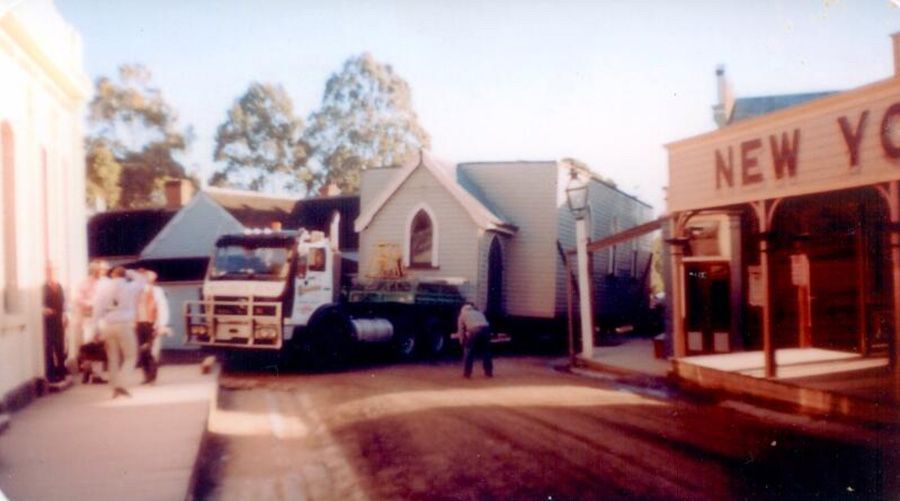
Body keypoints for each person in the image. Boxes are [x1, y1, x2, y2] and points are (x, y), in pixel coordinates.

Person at [95, 267, 145, 398]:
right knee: (131, 355)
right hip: (123, 324)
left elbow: (97, 309)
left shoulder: (104, 288)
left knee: (113, 358)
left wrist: (96, 328)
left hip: (108, 324)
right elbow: (142, 281)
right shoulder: (129, 287)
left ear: (112, 276)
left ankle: (114, 387)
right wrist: (130, 272)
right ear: (124, 276)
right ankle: (121, 384)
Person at [135, 270, 169, 384]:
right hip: (139, 323)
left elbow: (162, 307)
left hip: (152, 323)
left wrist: (162, 324)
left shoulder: (157, 291)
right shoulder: (135, 292)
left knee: (153, 350)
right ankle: (146, 376)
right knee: (142, 351)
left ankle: (152, 377)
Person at [42, 262, 68, 383]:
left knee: (60, 346)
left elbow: (65, 304)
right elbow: (39, 304)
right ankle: (51, 374)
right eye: (49, 272)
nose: (52, 274)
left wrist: (65, 315)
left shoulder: (60, 286)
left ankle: (61, 372)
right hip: (48, 320)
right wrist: (43, 309)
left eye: (54, 272)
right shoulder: (43, 288)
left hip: (59, 320)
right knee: (49, 347)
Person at [456, 303, 493, 378]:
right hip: (486, 329)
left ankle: (467, 373)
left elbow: (461, 330)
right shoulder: (479, 312)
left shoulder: (462, 315)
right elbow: (486, 323)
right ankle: (488, 372)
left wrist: (462, 342)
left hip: (474, 330)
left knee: (468, 351)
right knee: (486, 351)